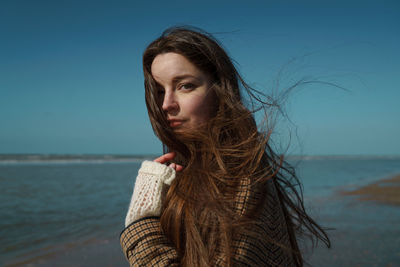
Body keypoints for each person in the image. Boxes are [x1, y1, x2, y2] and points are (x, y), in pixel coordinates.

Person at [120, 27, 330, 266]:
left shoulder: (239, 174)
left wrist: (141, 224)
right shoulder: (197, 166)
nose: (166, 104)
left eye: (185, 86)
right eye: (159, 91)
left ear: (219, 89)